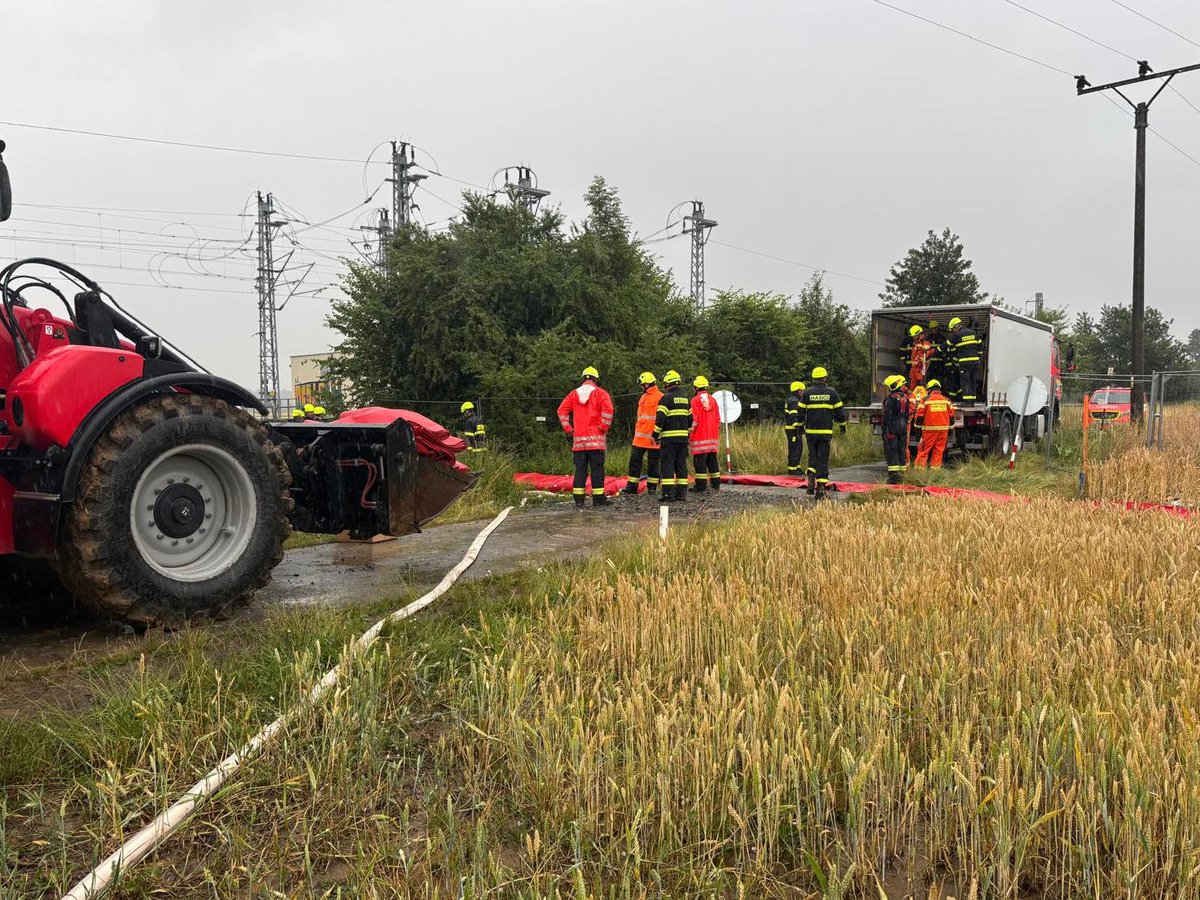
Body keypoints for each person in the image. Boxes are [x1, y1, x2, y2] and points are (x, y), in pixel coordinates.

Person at [557, 366, 614, 508]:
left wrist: (569, 429)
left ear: (584, 378)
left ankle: (579, 501)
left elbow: (561, 411)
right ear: (595, 379)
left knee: (580, 470)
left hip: (579, 443)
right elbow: (609, 410)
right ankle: (598, 499)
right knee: (597, 470)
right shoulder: (601, 393)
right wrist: (603, 426)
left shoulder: (573, 394)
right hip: (596, 442)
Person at [800, 366, 847, 499]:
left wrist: (799, 426)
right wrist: (842, 425)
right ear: (825, 378)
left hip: (810, 432)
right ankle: (820, 488)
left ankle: (810, 479)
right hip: (825, 432)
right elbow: (840, 412)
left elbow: (800, 412)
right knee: (823, 458)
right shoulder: (832, 393)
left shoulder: (807, 393)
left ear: (814, 378)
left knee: (812, 456)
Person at [654, 370, 692, 503]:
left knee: (667, 465)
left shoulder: (666, 398)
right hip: (683, 440)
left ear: (667, 383)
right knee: (681, 465)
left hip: (669, 440)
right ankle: (681, 494)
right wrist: (685, 433)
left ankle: (668, 494)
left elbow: (660, 419)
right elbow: (690, 420)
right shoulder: (686, 398)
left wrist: (655, 434)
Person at [624, 372, 662, 494]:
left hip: (653, 437)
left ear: (647, 384)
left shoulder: (660, 397)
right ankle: (631, 488)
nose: (641, 387)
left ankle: (651, 488)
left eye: (642, 385)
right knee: (634, 462)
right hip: (640, 437)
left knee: (653, 464)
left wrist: (658, 435)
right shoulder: (643, 397)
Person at [913, 379, 954, 469]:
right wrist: (950, 429)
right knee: (938, 451)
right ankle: (935, 472)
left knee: (923, 450)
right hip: (943, 431)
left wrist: (917, 428)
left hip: (929, 431)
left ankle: (919, 473)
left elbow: (919, 416)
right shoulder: (946, 400)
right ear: (939, 389)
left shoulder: (925, 400)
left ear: (930, 389)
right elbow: (951, 416)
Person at [690, 376, 721, 492]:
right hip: (712, 437)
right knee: (712, 459)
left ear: (696, 388)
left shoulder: (694, 401)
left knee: (699, 461)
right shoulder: (713, 400)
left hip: (699, 436)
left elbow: (694, 420)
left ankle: (700, 485)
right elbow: (718, 419)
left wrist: (690, 435)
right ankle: (716, 484)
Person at [881, 375, 909, 484]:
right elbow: (906, 415)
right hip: (903, 429)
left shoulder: (891, 399)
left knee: (892, 452)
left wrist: (886, 429)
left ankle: (893, 478)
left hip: (893, 428)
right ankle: (902, 475)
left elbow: (887, 415)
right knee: (901, 451)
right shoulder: (905, 398)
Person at [949, 316, 983, 403]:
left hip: (964, 363)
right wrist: (978, 356)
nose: (953, 331)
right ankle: (972, 401)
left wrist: (936, 350)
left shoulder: (957, 335)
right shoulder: (973, 332)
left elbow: (947, 344)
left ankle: (967, 401)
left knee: (965, 381)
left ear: (956, 326)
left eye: (953, 329)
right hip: (975, 362)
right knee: (972, 380)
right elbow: (980, 345)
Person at [783, 380, 805, 476]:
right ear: (798, 391)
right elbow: (794, 416)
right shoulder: (794, 401)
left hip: (794, 429)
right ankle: (792, 469)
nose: (803, 392)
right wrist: (797, 427)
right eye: (802, 390)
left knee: (799, 447)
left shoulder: (794, 400)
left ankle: (797, 467)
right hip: (793, 429)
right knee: (794, 448)